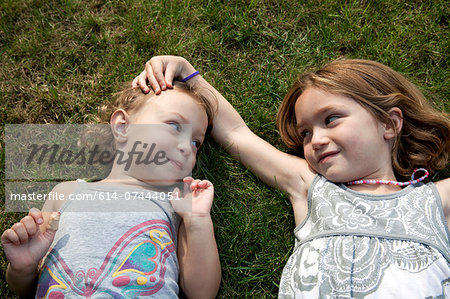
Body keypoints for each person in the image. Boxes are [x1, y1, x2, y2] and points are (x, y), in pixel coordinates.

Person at [133, 56, 450, 298]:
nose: (317, 140)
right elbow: (237, 135)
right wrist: (189, 74)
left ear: (389, 124)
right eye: (306, 133)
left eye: (332, 119)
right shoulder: (312, 186)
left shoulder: (435, 202)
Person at [1, 81, 221, 298]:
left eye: (195, 143)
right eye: (174, 126)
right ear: (122, 126)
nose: (186, 148)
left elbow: (201, 292)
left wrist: (198, 220)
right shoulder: (66, 193)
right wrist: (23, 268)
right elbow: (25, 289)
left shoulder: (178, 206)